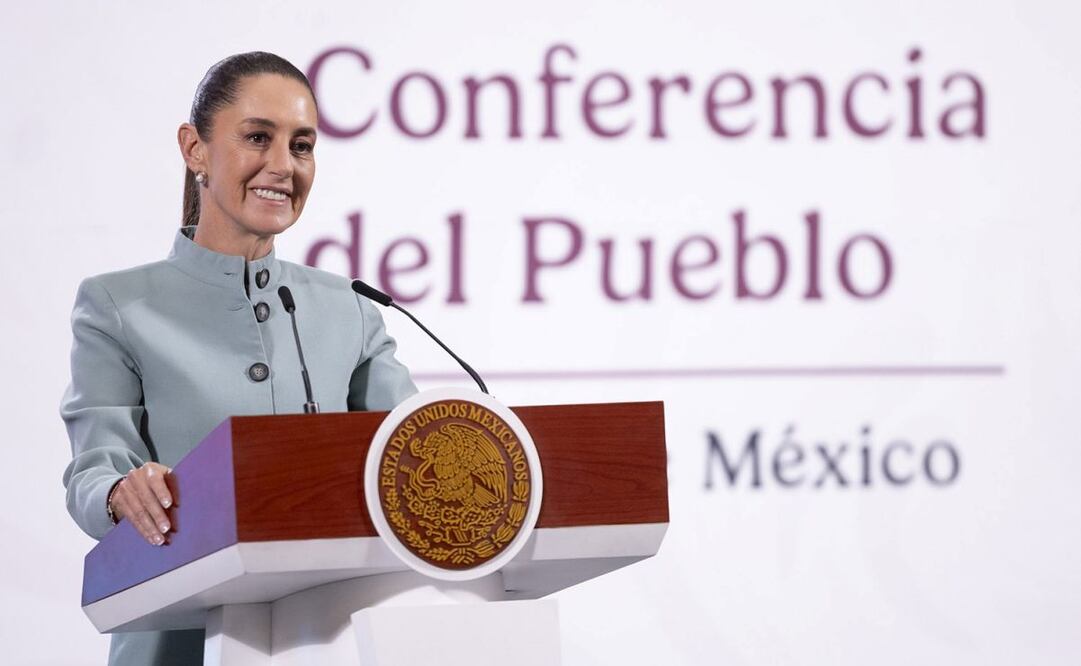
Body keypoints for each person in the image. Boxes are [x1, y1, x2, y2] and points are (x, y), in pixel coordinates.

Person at [60, 52, 417, 665]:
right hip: (176, 641)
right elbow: (94, 470)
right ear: (194, 149)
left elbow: (415, 452)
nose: (283, 165)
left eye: (301, 146)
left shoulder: (352, 309)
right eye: (257, 137)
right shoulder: (117, 306)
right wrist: (121, 491)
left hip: (329, 642)